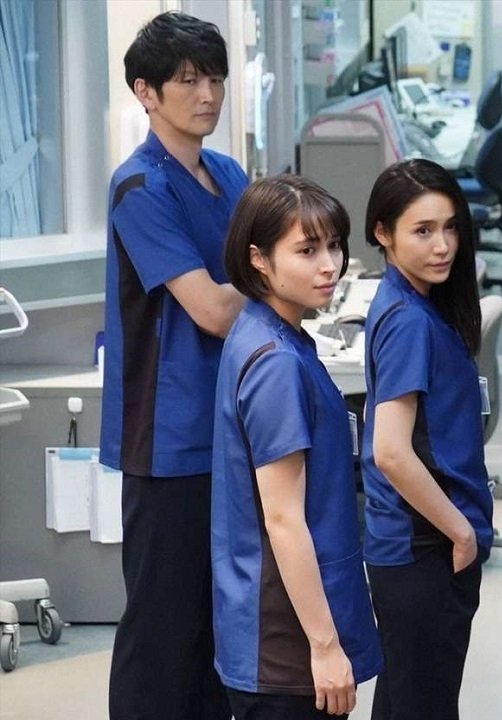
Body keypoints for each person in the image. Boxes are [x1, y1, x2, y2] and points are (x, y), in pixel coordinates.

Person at [102, 12, 249, 719]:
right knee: (163, 629)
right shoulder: (140, 188)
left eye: (215, 78)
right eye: (188, 80)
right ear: (146, 92)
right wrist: (279, 282)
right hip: (168, 439)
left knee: (221, 626)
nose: (208, 94)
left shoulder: (228, 175)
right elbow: (214, 311)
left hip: (234, 426)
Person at [212, 176, 382, 719]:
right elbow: (283, 519)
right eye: (307, 251)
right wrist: (325, 647)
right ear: (258, 259)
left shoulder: (266, 333)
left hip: (275, 626)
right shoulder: (277, 364)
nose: (329, 265)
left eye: (334, 245)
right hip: (286, 642)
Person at [360, 159, 493, 720]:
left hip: (411, 543)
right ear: (382, 233)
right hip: (424, 545)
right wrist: (460, 532)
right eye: (422, 231)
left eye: (450, 228)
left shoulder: (410, 303)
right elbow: (391, 450)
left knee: (404, 702)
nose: (443, 246)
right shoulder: (409, 321)